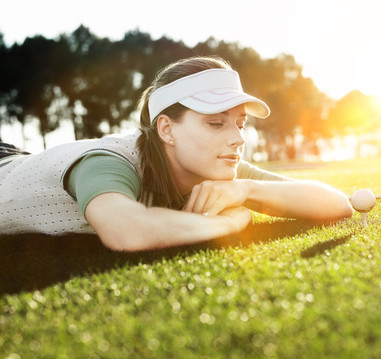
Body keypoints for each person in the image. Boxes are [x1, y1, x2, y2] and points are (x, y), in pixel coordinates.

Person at [0, 56, 352, 251]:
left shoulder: (220, 167)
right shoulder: (109, 162)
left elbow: (337, 204)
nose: (237, 139)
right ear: (166, 129)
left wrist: (247, 189)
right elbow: (127, 231)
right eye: (216, 123)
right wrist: (224, 224)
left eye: (240, 123)